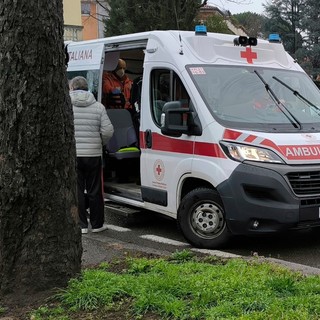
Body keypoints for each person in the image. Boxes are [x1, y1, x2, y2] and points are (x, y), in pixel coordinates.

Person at [69, 76, 114, 234]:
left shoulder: (66, 106)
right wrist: (99, 143)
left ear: (72, 88)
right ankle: (97, 225)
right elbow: (108, 131)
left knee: (78, 190)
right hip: (93, 154)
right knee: (95, 190)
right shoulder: (98, 107)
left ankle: (81, 225)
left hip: (73, 155)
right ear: (87, 88)